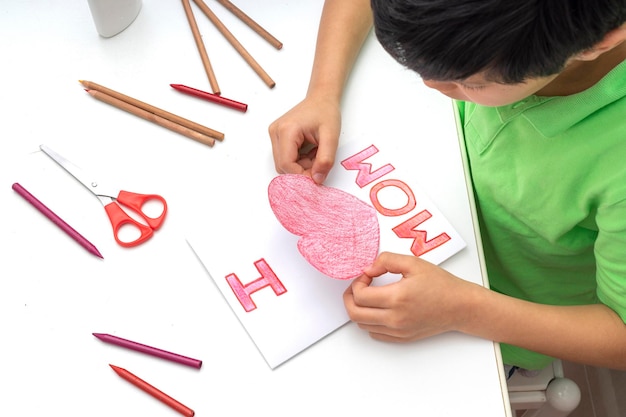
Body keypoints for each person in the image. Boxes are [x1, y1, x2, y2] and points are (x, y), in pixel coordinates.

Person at [268, 0, 626, 371]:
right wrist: (323, 93)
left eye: (471, 82)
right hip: (439, 190)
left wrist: (463, 309)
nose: (431, 83)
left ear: (598, 41)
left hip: (493, 321)